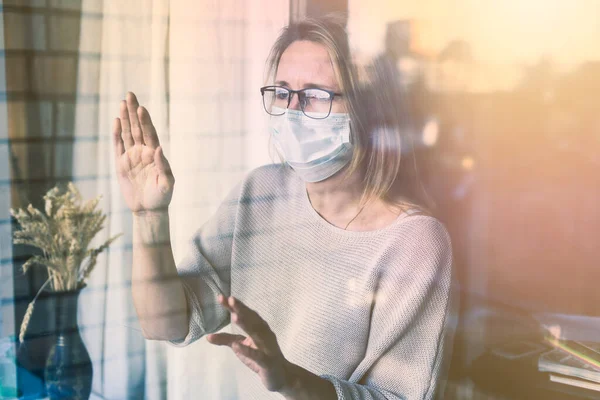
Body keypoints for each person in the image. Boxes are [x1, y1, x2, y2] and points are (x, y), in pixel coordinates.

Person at [112, 15, 455, 400]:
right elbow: (165, 322)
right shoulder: (260, 192)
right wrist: (149, 217)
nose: (292, 111)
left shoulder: (413, 242)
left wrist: (291, 381)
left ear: (366, 110)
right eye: (282, 92)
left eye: (314, 95)